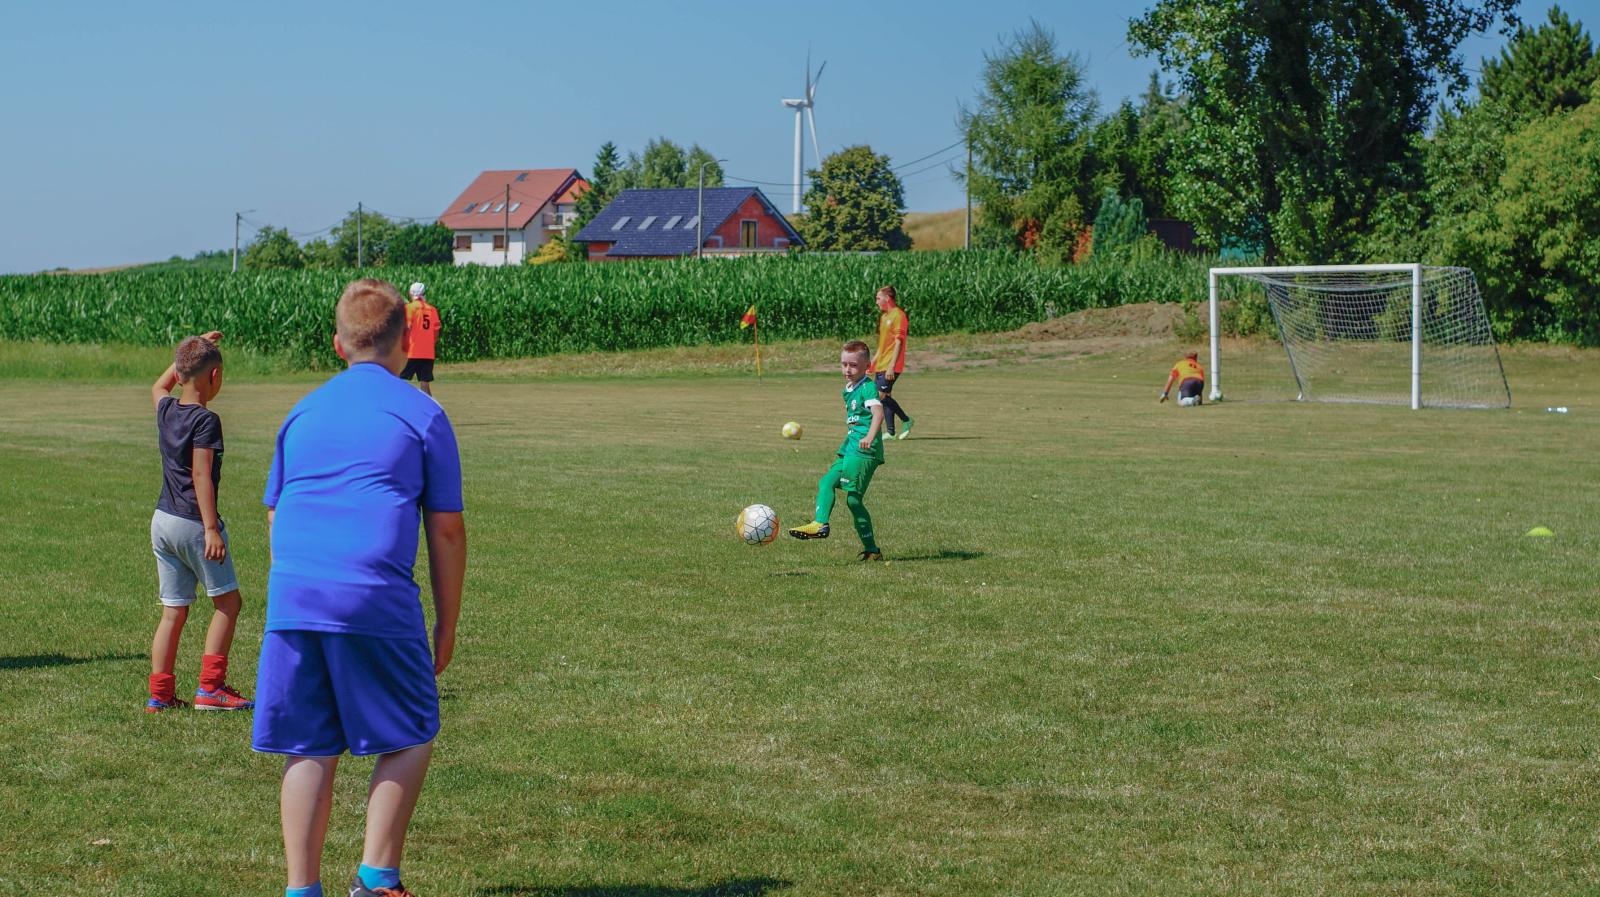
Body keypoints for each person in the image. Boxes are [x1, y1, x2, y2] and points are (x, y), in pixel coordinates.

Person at [253, 279, 467, 897]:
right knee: (412, 728)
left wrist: (297, 585)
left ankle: (301, 888)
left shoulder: (303, 410)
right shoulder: (423, 412)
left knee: (308, 744)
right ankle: (377, 877)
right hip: (371, 590)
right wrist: (447, 624)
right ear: (405, 341)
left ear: (338, 345)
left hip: (294, 593)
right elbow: (446, 531)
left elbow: (275, 511)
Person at [146, 330, 254, 713]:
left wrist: (189, 351)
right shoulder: (206, 420)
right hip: (194, 523)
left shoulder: (167, 409)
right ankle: (211, 689)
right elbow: (201, 474)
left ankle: (159, 695)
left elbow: (160, 384)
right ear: (215, 377)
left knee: (173, 611)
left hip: (163, 521)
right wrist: (211, 528)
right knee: (228, 603)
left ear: (179, 372)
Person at [787, 340, 887, 561]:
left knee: (853, 500)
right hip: (849, 447)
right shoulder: (849, 389)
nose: (847, 370)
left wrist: (870, 437)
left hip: (864, 451)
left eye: (853, 365)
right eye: (844, 365)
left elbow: (878, 412)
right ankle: (820, 524)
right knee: (826, 482)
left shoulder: (867, 387)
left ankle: (872, 549)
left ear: (867, 366)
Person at [867, 285, 914, 438]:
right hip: (882, 363)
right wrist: (873, 362)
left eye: (878, 298)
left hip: (891, 364)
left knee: (879, 396)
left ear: (887, 298)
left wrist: (891, 366)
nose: (877, 302)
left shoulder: (898, 315)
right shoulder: (884, 317)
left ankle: (906, 420)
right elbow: (883, 345)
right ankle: (891, 432)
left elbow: (899, 342)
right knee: (885, 397)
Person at [401, 282, 442, 397]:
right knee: (425, 384)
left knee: (400, 381)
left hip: (411, 352)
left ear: (411, 293)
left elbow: (406, 328)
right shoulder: (432, 309)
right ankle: (429, 411)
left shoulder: (409, 308)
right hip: (428, 353)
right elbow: (436, 332)